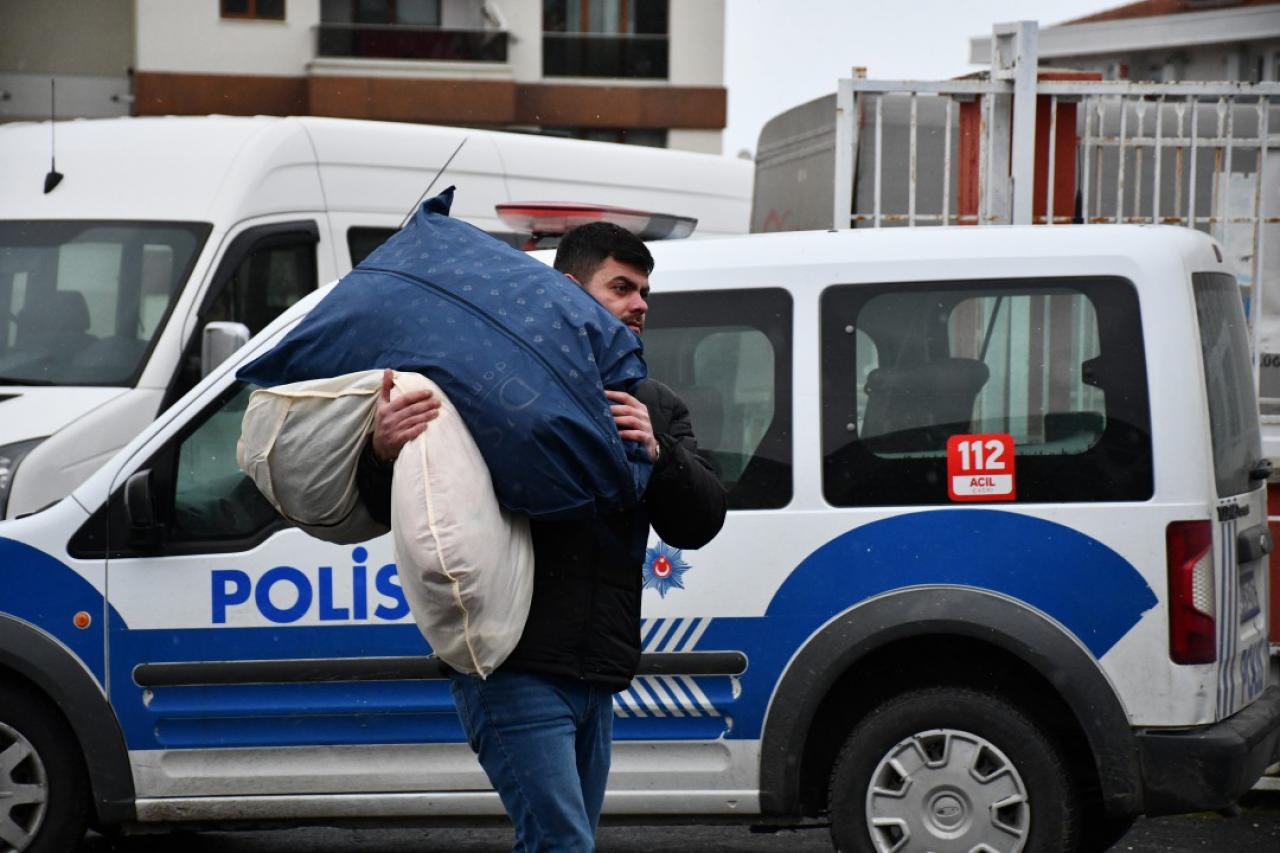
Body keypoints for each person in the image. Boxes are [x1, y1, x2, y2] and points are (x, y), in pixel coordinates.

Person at [355, 222, 727, 852]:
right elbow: (385, 507)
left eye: (644, 293)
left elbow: (700, 521)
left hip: (599, 672)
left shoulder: (652, 404)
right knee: (562, 844)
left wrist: (660, 452)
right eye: (621, 287)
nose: (639, 304)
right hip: (512, 663)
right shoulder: (482, 382)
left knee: (557, 844)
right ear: (564, 290)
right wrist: (382, 450)